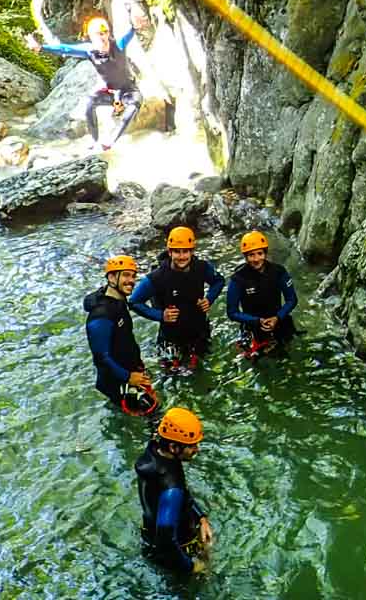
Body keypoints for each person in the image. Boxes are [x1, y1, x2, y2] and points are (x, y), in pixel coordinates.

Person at [27, 14, 143, 151]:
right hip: (109, 92)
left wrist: (134, 27)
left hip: (128, 91)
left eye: (105, 33)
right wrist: (41, 48)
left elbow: (128, 34)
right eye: (99, 34)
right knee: (89, 103)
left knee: (134, 104)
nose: (103, 37)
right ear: (92, 36)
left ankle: (110, 142)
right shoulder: (89, 50)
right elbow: (65, 49)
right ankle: (95, 141)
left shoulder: (118, 45)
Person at [130, 226, 226, 371]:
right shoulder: (157, 277)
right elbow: (134, 302)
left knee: (200, 371)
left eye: (185, 251)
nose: (181, 256)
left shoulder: (201, 267)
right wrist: (160, 315)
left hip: (198, 330)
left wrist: (209, 299)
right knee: (170, 376)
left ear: (192, 251)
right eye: (177, 251)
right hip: (171, 336)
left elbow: (219, 281)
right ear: (169, 252)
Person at [135, 406, 214, 574]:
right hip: (177, 551)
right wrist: (192, 567)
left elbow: (181, 495)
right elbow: (166, 541)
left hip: (149, 537)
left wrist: (201, 518)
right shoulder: (171, 489)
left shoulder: (154, 452)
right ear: (173, 447)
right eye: (191, 446)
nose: (196, 450)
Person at [84, 254, 155, 413]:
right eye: (126, 275)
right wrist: (128, 377)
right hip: (119, 380)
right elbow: (101, 358)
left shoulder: (118, 301)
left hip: (130, 370)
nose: (131, 280)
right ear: (111, 277)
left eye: (133, 276)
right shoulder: (101, 316)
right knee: (153, 415)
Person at [225, 231, 297, 358]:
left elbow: (292, 299)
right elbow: (232, 312)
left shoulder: (278, 271)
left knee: (287, 357)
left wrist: (277, 317)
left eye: (260, 253)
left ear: (265, 253)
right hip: (252, 326)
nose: (257, 259)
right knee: (256, 361)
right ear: (245, 257)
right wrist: (257, 321)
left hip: (279, 321)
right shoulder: (238, 279)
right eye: (251, 255)